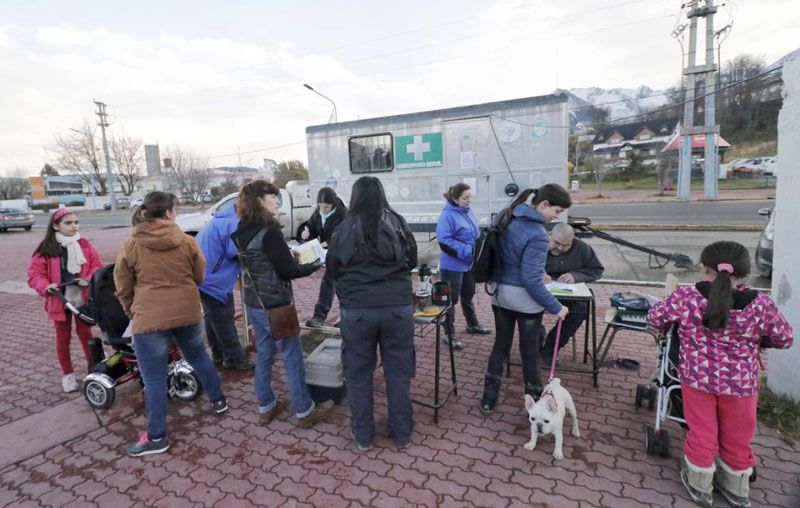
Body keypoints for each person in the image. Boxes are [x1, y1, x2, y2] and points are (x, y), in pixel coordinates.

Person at [648, 241, 792, 508]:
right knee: (738, 433)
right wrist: (759, 341)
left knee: (703, 430)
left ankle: (700, 481)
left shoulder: (687, 297)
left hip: (697, 380)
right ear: (745, 273)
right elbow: (785, 338)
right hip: (741, 384)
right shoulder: (761, 305)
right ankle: (737, 484)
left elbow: (656, 317)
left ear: (704, 270)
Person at [114, 192, 228, 457]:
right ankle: (219, 400)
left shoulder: (131, 244)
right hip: (187, 311)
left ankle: (157, 436)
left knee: (154, 378)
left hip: (149, 317)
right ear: (168, 213)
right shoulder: (186, 241)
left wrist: (133, 311)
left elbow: (122, 286)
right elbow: (200, 275)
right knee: (199, 356)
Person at [326, 176, 418, 452]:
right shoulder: (397, 222)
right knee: (398, 374)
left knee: (358, 375)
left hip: (358, 313)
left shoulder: (343, 229)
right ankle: (402, 433)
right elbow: (411, 260)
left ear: (354, 197)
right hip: (397, 309)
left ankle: (364, 436)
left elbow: (332, 272)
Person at [232, 181, 333, 428]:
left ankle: (265, 407)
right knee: (292, 355)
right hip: (277, 305)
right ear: (259, 201)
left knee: (265, 353)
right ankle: (304, 411)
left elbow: (265, 261)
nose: (277, 201)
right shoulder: (270, 231)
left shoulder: (241, 229)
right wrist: (314, 264)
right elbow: (287, 271)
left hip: (254, 303)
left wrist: (287, 256)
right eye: (272, 197)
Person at [479, 184, 571, 416]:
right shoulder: (538, 234)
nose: (556, 217)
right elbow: (531, 281)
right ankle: (538, 404)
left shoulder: (507, 215)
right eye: (557, 211)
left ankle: (488, 398)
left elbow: (510, 257)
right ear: (544, 204)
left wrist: (537, 273)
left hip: (499, 294)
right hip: (524, 300)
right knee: (529, 351)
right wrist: (556, 307)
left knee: (500, 345)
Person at [28, 208, 103, 392]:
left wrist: (88, 278)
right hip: (58, 298)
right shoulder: (46, 249)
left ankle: (94, 369)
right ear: (55, 226)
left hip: (81, 297)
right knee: (63, 338)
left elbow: (96, 264)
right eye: (68, 223)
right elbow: (35, 274)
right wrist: (46, 285)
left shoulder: (83, 244)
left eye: (76, 222)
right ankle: (68, 375)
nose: (74, 226)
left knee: (86, 335)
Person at [195, 201, 254, 370]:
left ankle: (218, 353)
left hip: (205, 277)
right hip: (213, 279)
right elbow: (237, 253)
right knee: (223, 317)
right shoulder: (233, 223)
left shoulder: (222, 219)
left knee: (212, 315)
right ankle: (235, 358)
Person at [435, 183, 490, 350]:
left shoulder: (467, 211)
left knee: (468, 294)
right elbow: (444, 241)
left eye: (469, 197)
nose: (468, 201)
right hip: (453, 265)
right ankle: (449, 334)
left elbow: (475, 233)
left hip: (468, 264)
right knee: (450, 301)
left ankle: (472, 324)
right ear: (455, 199)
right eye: (465, 198)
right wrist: (469, 250)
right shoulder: (447, 216)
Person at [541, 223, 604, 361]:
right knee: (528, 309)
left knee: (580, 312)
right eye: (557, 243)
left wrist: (576, 276)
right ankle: (537, 339)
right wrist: (537, 273)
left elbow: (597, 270)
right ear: (550, 235)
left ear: (573, 240)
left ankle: (551, 348)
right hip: (541, 291)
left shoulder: (582, 248)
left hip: (569, 293)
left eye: (566, 245)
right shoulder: (539, 243)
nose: (560, 248)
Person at [298, 187, 348, 328]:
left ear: (333, 204)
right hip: (328, 254)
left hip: (344, 254)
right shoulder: (318, 213)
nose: (323, 209)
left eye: (326, 207)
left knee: (336, 283)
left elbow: (342, 234)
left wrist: (327, 243)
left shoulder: (343, 213)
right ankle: (322, 316)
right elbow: (311, 228)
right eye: (321, 206)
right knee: (330, 282)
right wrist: (305, 234)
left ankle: (338, 316)